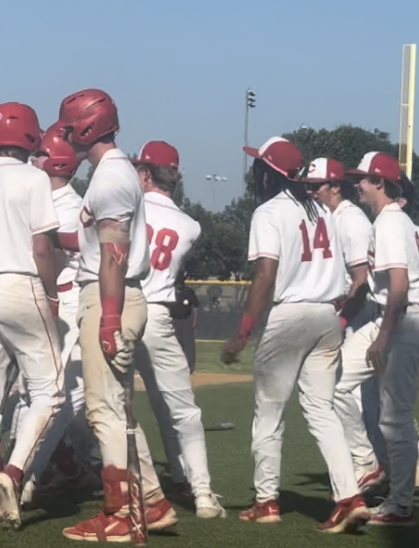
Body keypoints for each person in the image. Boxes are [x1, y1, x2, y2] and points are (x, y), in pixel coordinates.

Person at [221, 136, 368, 532]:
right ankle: (349, 496)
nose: (254, 174)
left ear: (270, 174)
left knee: (269, 413)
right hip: (326, 315)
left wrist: (244, 330)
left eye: (258, 168)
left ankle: (266, 501)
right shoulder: (322, 211)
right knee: (322, 411)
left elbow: (266, 273)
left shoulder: (269, 212)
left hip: (290, 315)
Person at [56, 89, 177, 542]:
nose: (65, 135)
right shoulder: (113, 173)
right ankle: (153, 502)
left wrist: (109, 319)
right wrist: (54, 239)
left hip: (112, 296)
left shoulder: (109, 179)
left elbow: (113, 256)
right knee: (118, 409)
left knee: (102, 409)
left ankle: (119, 513)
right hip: (115, 291)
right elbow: (95, 245)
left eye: (70, 127)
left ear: (86, 129)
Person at [0, 102, 64, 528]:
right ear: (30, 136)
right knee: (51, 390)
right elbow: (42, 248)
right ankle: (14, 472)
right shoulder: (34, 177)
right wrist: (54, 293)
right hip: (20, 284)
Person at [334, 154, 419, 525]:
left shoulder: (392, 223)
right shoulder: (388, 221)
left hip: (402, 323)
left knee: (395, 419)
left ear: (380, 182)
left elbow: (399, 284)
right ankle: (367, 463)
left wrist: (384, 337)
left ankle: (400, 505)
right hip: (391, 320)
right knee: (335, 382)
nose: (357, 184)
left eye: (363, 179)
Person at [133, 140, 225, 519]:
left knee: (113, 407)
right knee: (180, 410)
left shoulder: (128, 208)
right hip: (158, 316)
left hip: (121, 307)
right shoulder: (190, 226)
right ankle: (201, 493)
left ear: (144, 174)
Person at [16, 122, 88, 507]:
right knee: (36, 391)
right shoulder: (45, 198)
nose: (34, 158)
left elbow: (51, 252)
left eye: (41, 153)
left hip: (67, 300)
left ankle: (30, 473)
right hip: (45, 299)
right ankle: (61, 463)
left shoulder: (70, 205)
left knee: (59, 394)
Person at [304, 158, 386, 490]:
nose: (310, 192)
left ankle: (377, 460)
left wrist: (341, 319)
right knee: (360, 398)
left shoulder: (351, 220)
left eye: (316, 186)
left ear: (335, 187)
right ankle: (376, 468)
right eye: (307, 186)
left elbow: (362, 280)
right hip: (352, 313)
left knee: (356, 395)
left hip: (362, 313)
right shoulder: (329, 216)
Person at [172, 273, 199, 373]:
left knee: (189, 344)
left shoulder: (188, 292)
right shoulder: (171, 292)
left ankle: (190, 367)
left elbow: (195, 306)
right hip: (174, 320)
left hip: (186, 320)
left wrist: (194, 320)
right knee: (175, 344)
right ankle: (175, 366)